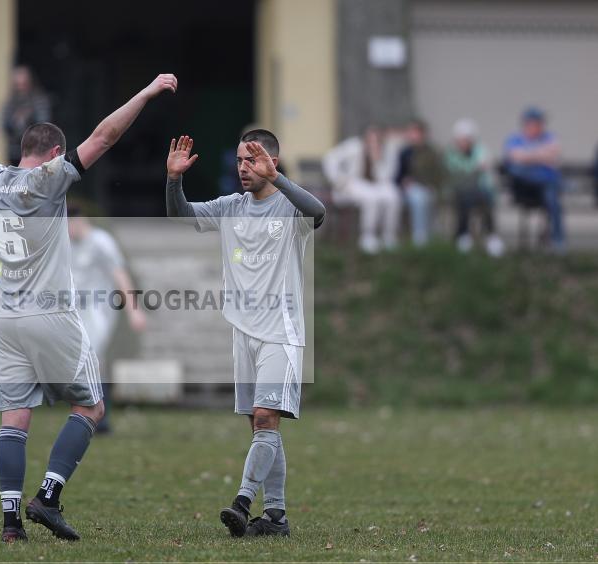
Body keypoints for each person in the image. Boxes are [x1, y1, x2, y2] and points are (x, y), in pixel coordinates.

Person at [0, 73, 177, 542]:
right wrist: (147, 93)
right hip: (50, 315)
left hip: (4, 320)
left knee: (15, 419)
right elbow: (104, 137)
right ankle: (47, 497)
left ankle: (10, 524)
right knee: (90, 407)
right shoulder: (50, 179)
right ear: (53, 154)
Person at [165, 130, 325, 538]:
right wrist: (174, 179)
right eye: (239, 160)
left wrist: (281, 179)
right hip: (244, 333)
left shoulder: (289, 208)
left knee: (265, 417)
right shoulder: (230, 207)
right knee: (263, 428)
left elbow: (319, 211)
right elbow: (180, 215)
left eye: (251, 161)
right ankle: (276, 517)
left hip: (280, 332)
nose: (242, 168)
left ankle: (242, 501)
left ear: (270, 162)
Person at [68, 208, 147, 434]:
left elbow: (119, 275)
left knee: (93, 358)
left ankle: (100, 418)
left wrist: (134, 310)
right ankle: (88, 414)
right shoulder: (66, 243)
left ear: (79, 221)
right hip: (74, 312)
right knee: (82, 363)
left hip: (98, 311)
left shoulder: (101, 242)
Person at [323, 125, 401, 253]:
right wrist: (337, 179)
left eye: (376, 139)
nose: (373, 142)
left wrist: (376, 158)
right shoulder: (353, 146)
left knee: (393, 197)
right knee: (371, 199)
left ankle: (389, 236)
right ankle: (367, 237)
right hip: (352, 182)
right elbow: (330, 158)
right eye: (370, 138)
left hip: (375, 185)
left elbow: (385, 177)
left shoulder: (387, 150)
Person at [503, 107, 564, 251]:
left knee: (553, 200)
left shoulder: (549, 137)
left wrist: (528, 156)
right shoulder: (514, 139)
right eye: (534, 123)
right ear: (526, 124)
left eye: (540, 123)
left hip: (546, 188)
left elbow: (554, 154)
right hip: (524, 189)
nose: (537, 126)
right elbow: (514, 157)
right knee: (519, 171)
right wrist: (541, 156)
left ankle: (558, 242)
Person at [444, 118, 503, 257]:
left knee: (485, 198)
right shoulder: (450, 153)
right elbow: (457, 174)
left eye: (467, 139)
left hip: (480, 191)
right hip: (459, 191)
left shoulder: (481, 150)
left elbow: (485, 173)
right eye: (461, 139)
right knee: (465, 198)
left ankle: (491, 236)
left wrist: (477, 170)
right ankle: (463, 235)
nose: (463, 142)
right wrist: (475, 169)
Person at [395, 119, 443, 246]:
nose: (412, 135)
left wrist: (428, 184)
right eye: (410, 132)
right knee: (419, 198)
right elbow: (398, 175)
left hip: (428, 187)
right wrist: (403, 181)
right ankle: (420, 237)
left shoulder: (431, 152)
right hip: (409, 190)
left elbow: (437, 174)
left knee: (427, 198)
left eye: (415, 132)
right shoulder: (404, 152)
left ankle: (430, 235)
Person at [0, 66, 51, 165]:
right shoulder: (10, 103)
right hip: (14, 153)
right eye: (17, 85)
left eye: (24, 84)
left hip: (35, 152)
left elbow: (43, 125)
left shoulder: (38, 100)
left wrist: (28, 118)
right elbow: (2, 125)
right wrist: (14, 121)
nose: (21, 88)